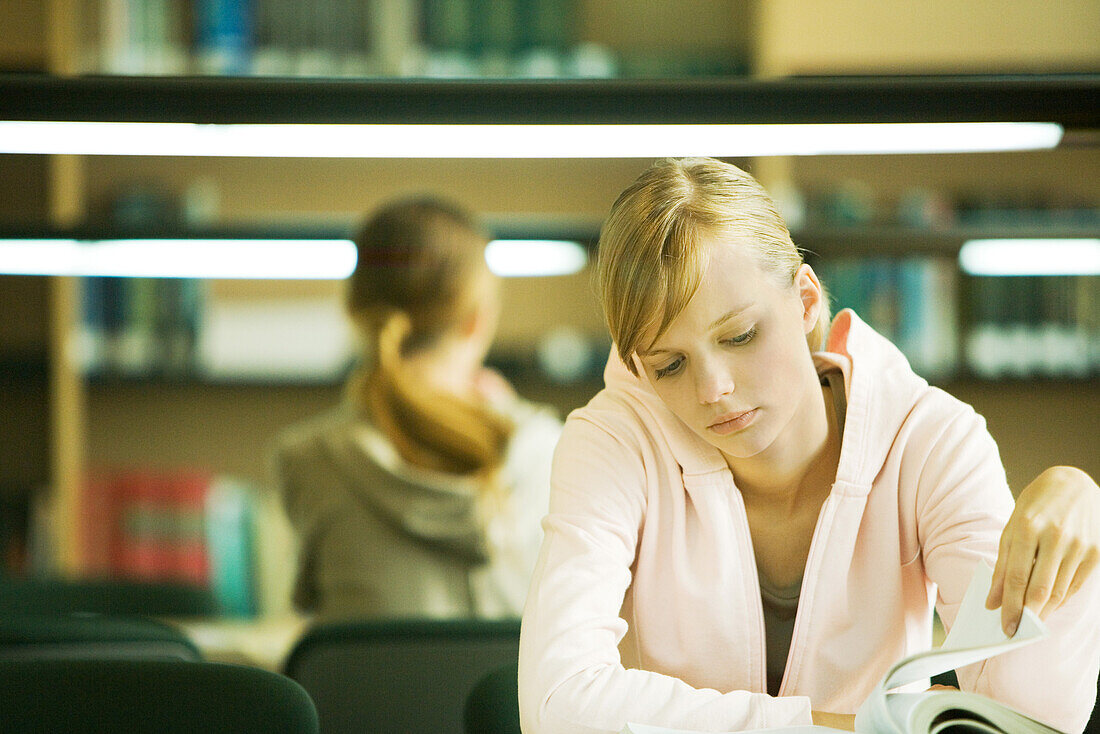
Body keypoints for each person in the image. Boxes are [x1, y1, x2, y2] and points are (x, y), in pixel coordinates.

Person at [518, 158, 1100, 733]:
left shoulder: (931, 440)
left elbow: (1028, 718)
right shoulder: (614, 439)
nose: (713, 389)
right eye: (670, 365)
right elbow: (558, 702)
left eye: (740, 336)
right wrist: (841, 729)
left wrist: (1078, 532)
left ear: (805, 301)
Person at [273, 196, 562, 621]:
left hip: (367, 692)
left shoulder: (306, 460)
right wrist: (506, 408)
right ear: (476, 319)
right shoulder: (548, 452)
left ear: (355, 311)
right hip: (513, 692)